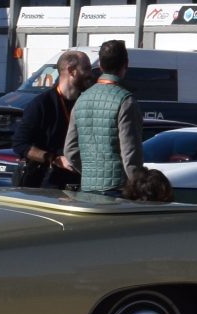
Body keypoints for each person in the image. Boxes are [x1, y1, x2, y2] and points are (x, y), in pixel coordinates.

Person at [63, 40, 146, 197]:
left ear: (100, 65)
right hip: (118, 188)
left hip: (87, 188)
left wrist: (90, 171)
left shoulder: (81, 99)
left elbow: (70, 150)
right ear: (126, 64)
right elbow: (130, 154)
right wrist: (137, 185)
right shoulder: (125, 101)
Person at [11, 50, 91, 189]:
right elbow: (20, 144)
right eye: (87, 69)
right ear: (72, 71)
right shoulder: (42, 104)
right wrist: (54, 159)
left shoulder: (86, 103)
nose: (91, 74)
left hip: (80, 183)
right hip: (46, 185)